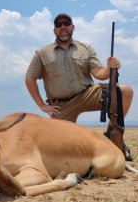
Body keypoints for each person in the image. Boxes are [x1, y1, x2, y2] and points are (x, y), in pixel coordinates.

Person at [25, 13, 134, 160]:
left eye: (66, 23)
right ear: (54, 30)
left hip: (87, 94)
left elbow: (98, 73)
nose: (62, 27)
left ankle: (112, 135)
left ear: (73, 27)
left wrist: (109, 68)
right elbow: (30, 78)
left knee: (125, 91)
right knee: (60, 148)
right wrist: (42, 105)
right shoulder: (42, 53)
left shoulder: (86, 48)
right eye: (58, 25)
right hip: (61, 105)